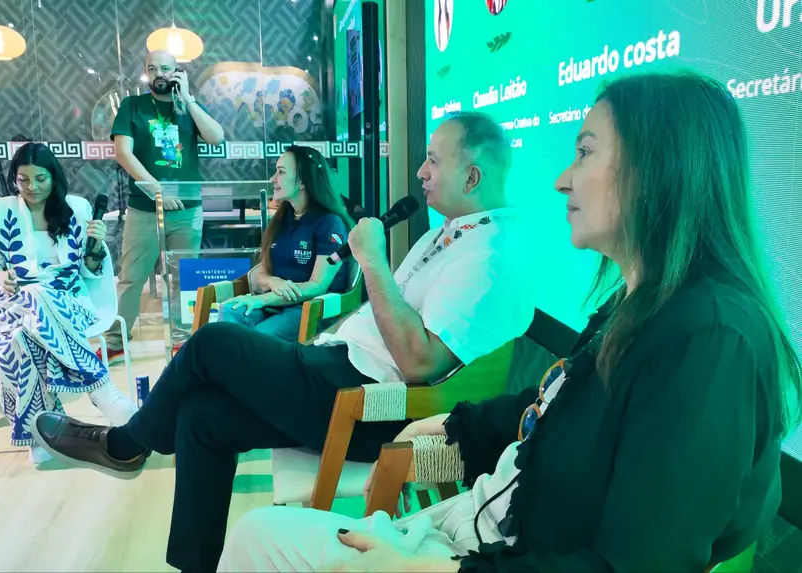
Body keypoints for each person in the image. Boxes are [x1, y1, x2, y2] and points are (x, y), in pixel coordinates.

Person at [219, 71, 802, 572]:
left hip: (493, 550)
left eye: (585, 152)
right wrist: (454, 426)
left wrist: (419, 566)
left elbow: (635, 562)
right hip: (484, 522)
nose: (562, 179)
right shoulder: (641, 305)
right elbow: (559, 402)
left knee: (254, 520)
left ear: (658, 166)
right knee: (248, 509)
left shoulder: (709, 342)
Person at [31, 111, 536, 572]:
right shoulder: (450, 233)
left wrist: (373, 262)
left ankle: (126, 445)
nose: (421, 171)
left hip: (367, 404)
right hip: (336, 369)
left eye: (433, 160)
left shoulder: (490, 256)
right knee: (202, 417)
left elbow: (418, 363)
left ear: (472, 177)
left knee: (211, 342)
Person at [0, 143, 137, 465]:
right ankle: (101, 390)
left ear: (53, 177)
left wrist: (97, 246)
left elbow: (90, 271)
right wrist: (0, 277)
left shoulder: (76, 209)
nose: (32, 187)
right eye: (23, 180)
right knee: (33, 294)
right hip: (9, 301)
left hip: (67, 302)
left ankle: (40, 433)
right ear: (14, 179)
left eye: (40, 179)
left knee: (15, 341)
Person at [100, 49, 225, 363]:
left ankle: (183, 340)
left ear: (177, 72)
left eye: (166, 68)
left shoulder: (188, 107)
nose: (159, 74)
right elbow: (123, 153)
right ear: (146, 72)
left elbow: (216, 137)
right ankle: (116, 341)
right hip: (144, 209)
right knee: (131, 277)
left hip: (187, 210)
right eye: (152, 68)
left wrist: (189, 99)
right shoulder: (132, 106)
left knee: (184, 279)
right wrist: (157, 190)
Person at [218, 145, 354, 342]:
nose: (273, 179)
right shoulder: (282, 219)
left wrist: (261, 299)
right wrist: (273, 282)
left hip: (310, 308)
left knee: (258, 338)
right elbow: (261, 273)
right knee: (230, 311)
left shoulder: (330, 223)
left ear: (302, 181)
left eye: (281, 172)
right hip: (276, 304)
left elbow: (318, 286)